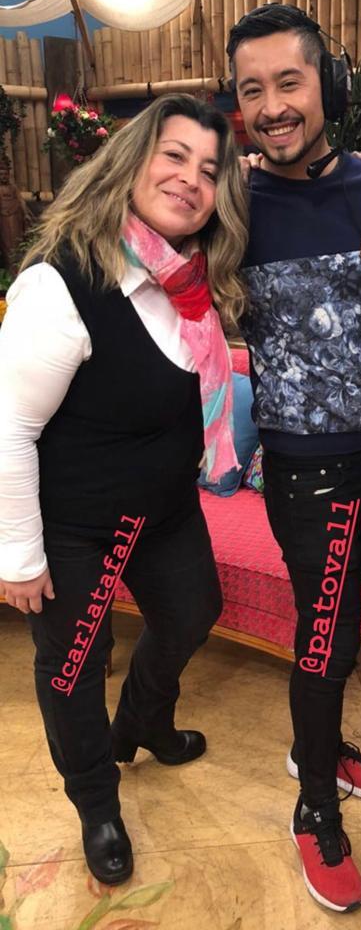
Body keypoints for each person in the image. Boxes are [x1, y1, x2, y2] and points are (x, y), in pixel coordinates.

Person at [0, 94, 248, 885]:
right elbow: (8, 430)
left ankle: (141, 723)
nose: (190, 179)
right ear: (130, 162)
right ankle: (96, 801)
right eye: (173, 156)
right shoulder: (60, 284)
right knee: (75, 663)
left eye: (208, 169)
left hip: (165, 513)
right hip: (75, 526)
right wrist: (19, 557)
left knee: (192, 613)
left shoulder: (191, 285)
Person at [226, 4, 361, 914]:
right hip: (306, 475)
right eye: (251, 90)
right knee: (326, 635)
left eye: (288, 82)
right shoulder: (230, 207)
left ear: (325, 85)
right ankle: (313, 811)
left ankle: (321, 747)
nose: (272, 107)